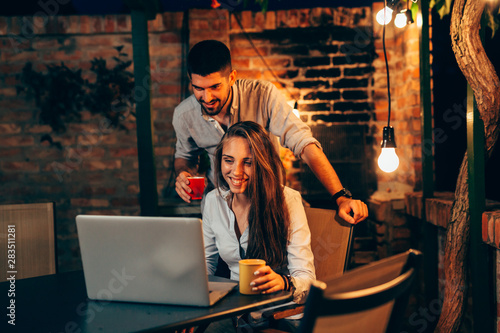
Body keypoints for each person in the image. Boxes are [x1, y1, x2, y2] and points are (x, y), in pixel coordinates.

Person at [173, 39, 368, 224]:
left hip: (270, 205)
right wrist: (184, 173)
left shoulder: (263, 95)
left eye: (215, 87)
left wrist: (340, 197)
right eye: (198, 88)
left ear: (232, 77)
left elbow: (304, 143)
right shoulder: (184, 115)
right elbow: (185, 157)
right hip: (223, 212)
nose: (206, 97)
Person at [202, 121, 315, 332]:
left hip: (282, 314)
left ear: (262, 164)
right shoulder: (212, 201)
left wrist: (284, 282)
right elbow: (206, 266)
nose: (236, 171)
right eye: (229, 160)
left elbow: (307, 279)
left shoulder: (288, 201)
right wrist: (196, 314)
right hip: (235, 312)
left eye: (248, 162)